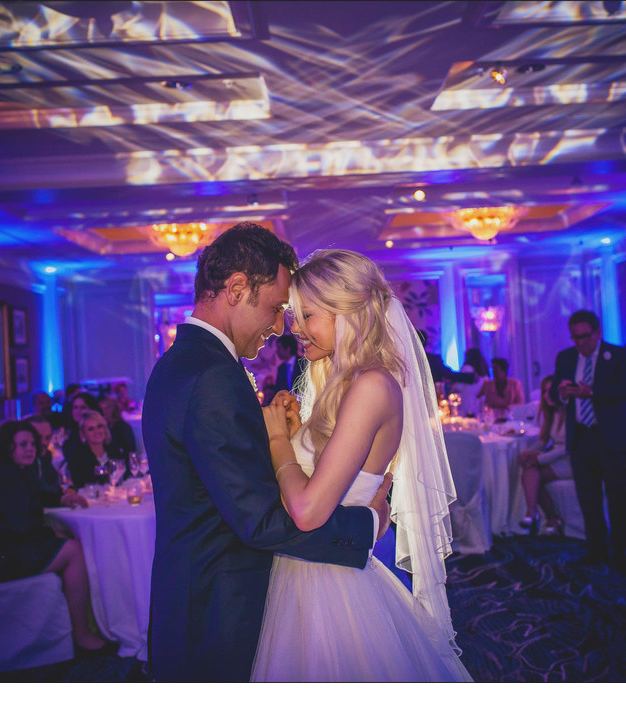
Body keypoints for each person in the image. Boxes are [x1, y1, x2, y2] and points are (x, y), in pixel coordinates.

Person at [143, 223, 391, 682]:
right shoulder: (212, 376)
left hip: (199, 593)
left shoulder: (187, 363)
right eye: (277, 308)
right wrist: (367, 524)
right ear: (237, 288)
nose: (280, 328)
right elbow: (257, 519)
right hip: (217, 608)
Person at [254, 249, 471, 682]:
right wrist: (297, 432)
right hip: (307, 568)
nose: (294, 329)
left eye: (307, 315)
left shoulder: (372, 385)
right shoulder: (343, 379)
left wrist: (278, 438)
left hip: (330, 586)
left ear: (347, 314)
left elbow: (307, 509)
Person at [0, 421, 109, 656]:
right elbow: (19, 526)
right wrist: (53, 534)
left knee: (68, 541)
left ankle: (78, 624)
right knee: (74, 551)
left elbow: (36, 494)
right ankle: (81, 634)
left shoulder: (10, 469)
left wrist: (60, 500)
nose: (30, 449)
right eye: (22, 444)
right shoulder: (2, 474)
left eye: (32, 443)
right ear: (8, 447)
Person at [549, 310, 626, 568]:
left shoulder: (618, 355)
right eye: (575, 338)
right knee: (588, 497)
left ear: (597, 333)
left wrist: (592, 392)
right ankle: (596, 549)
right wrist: (563, 393)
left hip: (612, 436)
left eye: (585, 337)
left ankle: (621, 551)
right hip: (581, 437)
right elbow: (555, 394)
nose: (581, 343)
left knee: (619, 496)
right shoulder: (565, 358)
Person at [517, 375, 570, 536]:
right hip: (556, 457)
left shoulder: (570, 412)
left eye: (550, 391)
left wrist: (538, 458)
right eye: (544, 392)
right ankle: (539, 515)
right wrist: (528, 453)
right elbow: (542, 441)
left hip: (571, 459)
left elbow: (566, 448)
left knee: (532, 472)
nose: (547, 396)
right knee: (529, 467)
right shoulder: (552, 414)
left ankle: (539, 515)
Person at [65, 410, 124, 488]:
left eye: (99, 426)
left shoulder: (114, 449)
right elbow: (81, 481)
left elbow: (123, 474)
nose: (97, 431)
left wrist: (100, 470)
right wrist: (107, 470)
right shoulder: (77, 455)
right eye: (91, 429)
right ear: (83, 433)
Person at [457, 347, 488, 417]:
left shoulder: (467, 368)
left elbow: (459, 387)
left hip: (468, 404)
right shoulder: (483, 371)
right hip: (480, 405)